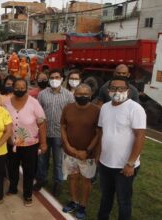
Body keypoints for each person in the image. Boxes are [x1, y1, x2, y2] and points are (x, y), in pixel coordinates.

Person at [97, 76, 146, 220]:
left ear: (128, 91)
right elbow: (102, 132)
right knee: (106, 197)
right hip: (105, 163)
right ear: (108, 90)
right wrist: (98, 155)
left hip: (124, 167)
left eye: (121, 88)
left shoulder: (135, 109)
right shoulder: (105, 107)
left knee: (123, 201)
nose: (117, 91)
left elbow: (140, 136)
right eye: (113, 88)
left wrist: (130, 163)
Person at [3, 79, 47, 206]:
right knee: (12, 168)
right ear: (13, 88)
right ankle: (13, 188)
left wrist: (43, 143)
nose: (20, 89)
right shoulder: (6, 103)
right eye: (17, 87)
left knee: (29, 171)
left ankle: (28, 194)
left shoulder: (34, 103)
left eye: (23, 87)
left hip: (30, 144)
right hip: (12, 143)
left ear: (27, 88)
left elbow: (42, 123)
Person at [61, 84, 100, 219]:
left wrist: (87, 150)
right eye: (79, 94)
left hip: (87, 155)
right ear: (74, 94)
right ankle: (74, 201)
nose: (82, 96)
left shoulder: (96, 111)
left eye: (85, 94)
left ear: (90, 95)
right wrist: (68, 146)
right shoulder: (68, 108)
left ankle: (82, 205)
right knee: (72, 177)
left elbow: (98, 133)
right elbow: (63, 126)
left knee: (86, 180)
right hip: (70, 152)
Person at [34, 69, 75, 197]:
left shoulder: (68, 95)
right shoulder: (42, 94)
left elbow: (71, 115)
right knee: (42, 159)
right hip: (44, 133)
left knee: (58, 161)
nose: (54, 79)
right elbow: (38, 113)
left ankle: (58, 183)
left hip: (59, 133)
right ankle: (42, 179)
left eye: (57, 77)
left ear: (62, 79)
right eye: (52, 77)